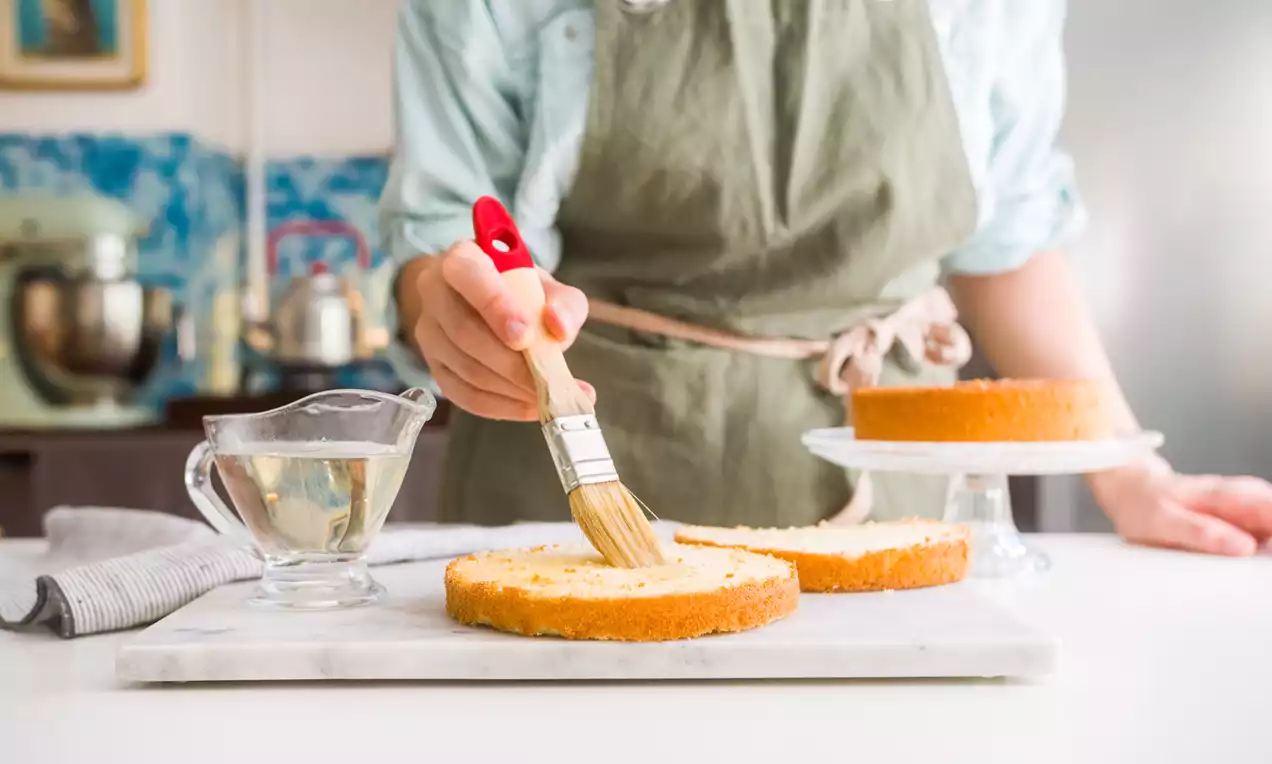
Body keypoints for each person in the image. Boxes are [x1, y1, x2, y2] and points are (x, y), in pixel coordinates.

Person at [380, 0, 1272, 556]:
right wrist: (452, 311)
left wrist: (1130, 474)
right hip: (573, 511)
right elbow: (450, 243)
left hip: (906, 510)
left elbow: (1007, 243)